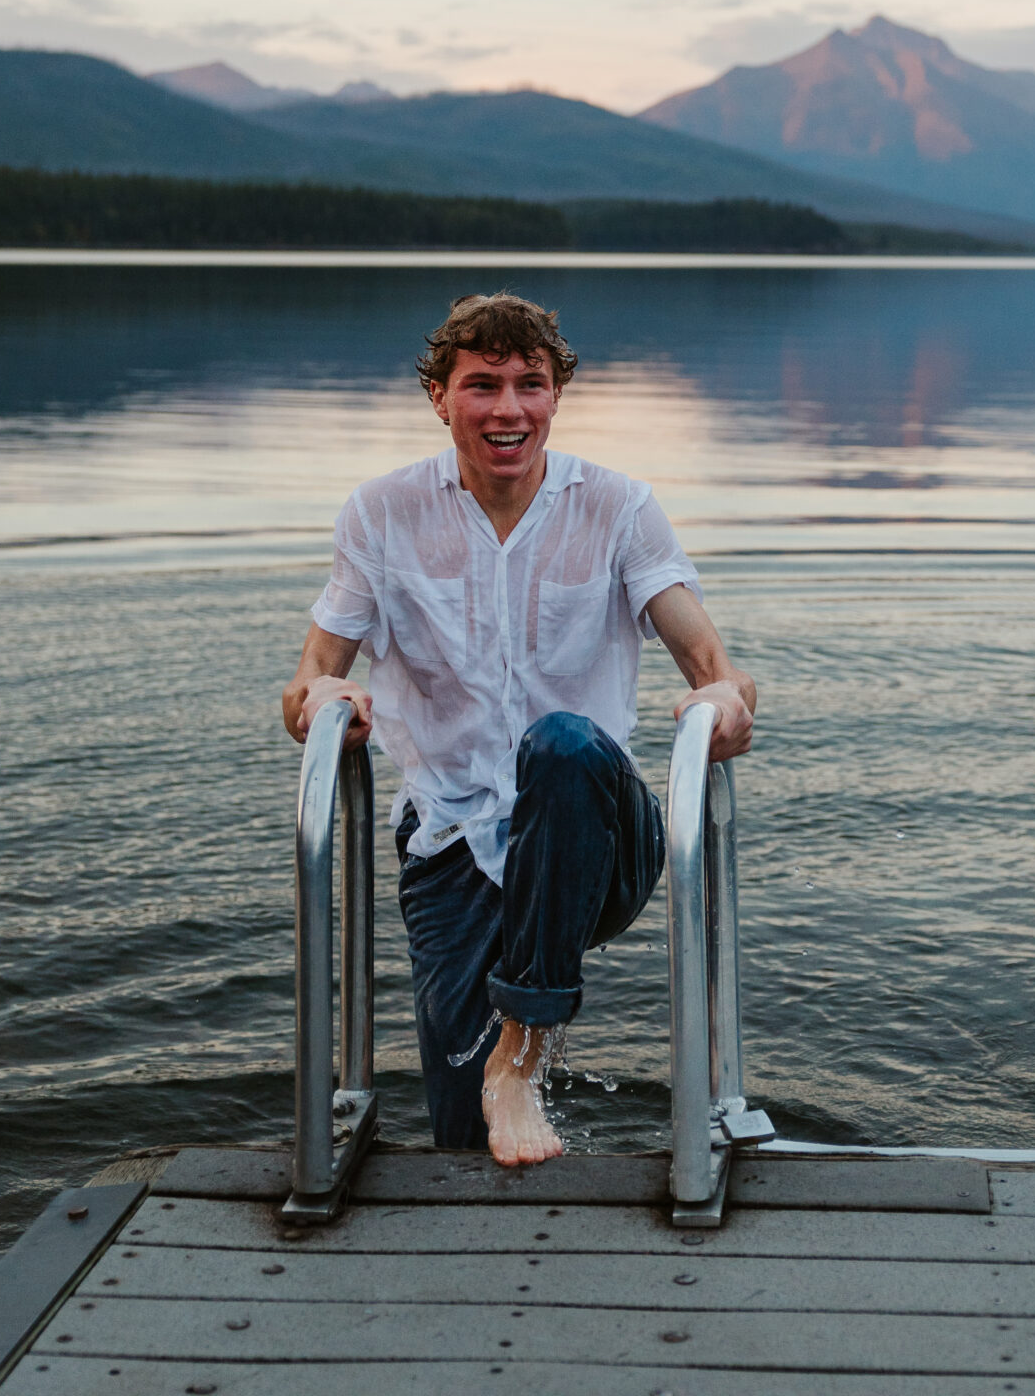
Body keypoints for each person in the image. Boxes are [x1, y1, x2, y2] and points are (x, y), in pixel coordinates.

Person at [281, 289, 757, 1166]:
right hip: (451, 844)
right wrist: (326, 706)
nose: (508, 410)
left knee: (563, 743)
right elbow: (309, 681)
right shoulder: (382, 514)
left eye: (529, 385)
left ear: (556, 395)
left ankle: (525, 1052)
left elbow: (715, 669)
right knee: (463, 1140)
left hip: (595, 841)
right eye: (482, 385)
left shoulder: (617, 508)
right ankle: (501, 1121)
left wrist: (723, 703)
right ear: (440, 396)